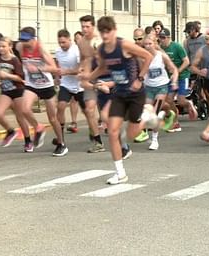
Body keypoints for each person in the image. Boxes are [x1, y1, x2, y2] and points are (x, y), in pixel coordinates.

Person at [80, 16, 154, 185]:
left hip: (135, 93)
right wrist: (89, 77)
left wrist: (140, 79)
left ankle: (147, 115)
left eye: (108, 31)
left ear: (114, 31)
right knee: (112, 131)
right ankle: (120, 173)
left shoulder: (125, 45)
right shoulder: (102, 50)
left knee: (131, 134)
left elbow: (147, 56)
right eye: (102, 32)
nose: (105, 35)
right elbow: (103, 67)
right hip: (120, 92)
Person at [16, 27, 67, 156]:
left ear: (34, 39)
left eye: (27, 40)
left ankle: (61, 143)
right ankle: (38, 128)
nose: (24, 43)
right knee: (24, 109)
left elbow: (54, 68)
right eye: (22, 40)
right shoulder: (21, 47)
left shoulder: (41, 50)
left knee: (52, 118)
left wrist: (38, 68)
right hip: (31, 84)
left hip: (46, 85)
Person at [0, 35, 30, 149]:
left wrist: (7, 75)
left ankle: (28, 141)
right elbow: (0, 71)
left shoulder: (14, 60)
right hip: (6, 91)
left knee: (20, 117)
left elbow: (20, 78)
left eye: (4, 46)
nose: (1, 49)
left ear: (10, 47)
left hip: (17, 90)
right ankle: (10, 131)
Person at [142, 37, 179, 150]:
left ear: (155, 44)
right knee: (147, 113)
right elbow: (140, 72)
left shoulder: (161, 55)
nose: (148, 46)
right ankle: (168, 113)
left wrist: (174, 81)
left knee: (155, 113)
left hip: (161, 86)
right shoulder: (142, 57)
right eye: (145, 44)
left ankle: (154, 140)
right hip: (149, 87)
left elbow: (174, 69)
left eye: (150, 43)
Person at [77, 15, 106, 152]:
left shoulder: (100, 40)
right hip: (90, 79)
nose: (84, 29)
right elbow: (83, 59)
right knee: (89, 110)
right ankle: (98, 141)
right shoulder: (81, 42)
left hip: (104, 76)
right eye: (83, 26)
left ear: (93, 26)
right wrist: (81, 68)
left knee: (107, 114)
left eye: (87, 26)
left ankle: (121, 143)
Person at [159, 28, 197, 126]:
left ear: (169, 38)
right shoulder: (160, 48)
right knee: (169, 100)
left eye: (163, 38)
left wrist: (178, 71)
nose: (162, 40)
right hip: (170, 78)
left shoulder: (177, 47)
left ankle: (189, 103)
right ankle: (175, 121)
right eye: (160, 38)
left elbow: (187, 61)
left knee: (181, 101)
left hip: (182, 76)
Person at [55, 29, 85, 138]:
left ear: (70, 40)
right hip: (65, 84)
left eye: (64, 42)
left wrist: (67, 72)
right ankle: (60, 134)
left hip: (80, 85)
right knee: (61, 106)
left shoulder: (77, 50)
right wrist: (57, 76)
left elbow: (80, 68)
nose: (62, 45)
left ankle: (95, 134)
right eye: (59, 42)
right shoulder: (58, 51)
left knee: (87, 111)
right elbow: (58, 65)